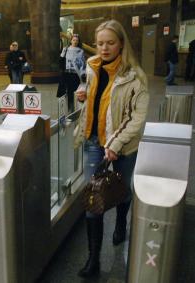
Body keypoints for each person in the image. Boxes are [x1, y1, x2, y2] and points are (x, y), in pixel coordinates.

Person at [74, 20, 149, 278]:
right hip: (94, 142)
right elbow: (93, 97)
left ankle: (120, 223)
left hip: (125, 146)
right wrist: (81, 93)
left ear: (121, 43)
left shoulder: (135, 77)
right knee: (93, 199)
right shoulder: (92, 66)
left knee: (122, 189)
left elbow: (136, 120)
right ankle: (93, 258)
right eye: (100, 43)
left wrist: (115, 144)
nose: (104, 48)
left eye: (110, 43)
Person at [57, 34, 86, 112]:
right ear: (71, 41)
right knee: (67, 92)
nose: (75, 42)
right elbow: (61, 60)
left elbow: (82, 64)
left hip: (75, 74)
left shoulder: (81, 51)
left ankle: (76, 109)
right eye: (74, 40)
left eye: (77, 40)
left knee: (76, 92)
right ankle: (70, 109)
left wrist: (83, 74)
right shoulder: (66, 49)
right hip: (66, 74)